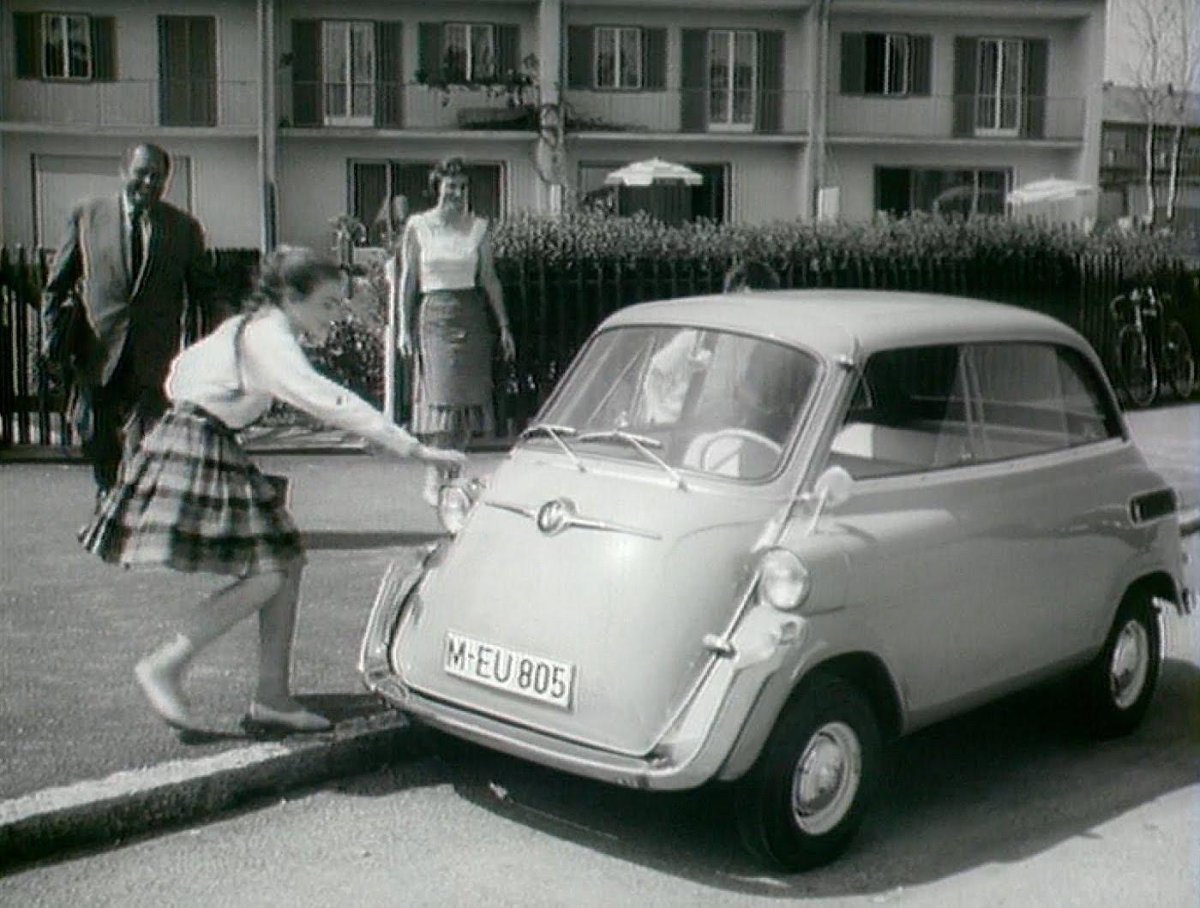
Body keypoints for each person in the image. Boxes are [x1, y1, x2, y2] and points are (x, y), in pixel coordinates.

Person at [79, 247, 465, 735]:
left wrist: (222, 402)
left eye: (340, 304)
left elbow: (179, 373)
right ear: (290, 297)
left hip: (198, 433)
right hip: (200, 442)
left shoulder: (248, 327)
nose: (337, 314)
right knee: (267, 575)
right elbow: (327, 398)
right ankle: (166, 663)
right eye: (327, 304)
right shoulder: (269, 337)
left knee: (286, 561)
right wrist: (416, 450)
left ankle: (273, 697)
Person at [42, 143, 223, 506]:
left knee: (147, 437)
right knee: (94, 432)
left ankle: (128, 504)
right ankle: (108, 487)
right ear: (124, 172)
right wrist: (50, 336)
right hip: (98, 347)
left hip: (155, 350)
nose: (149, 182)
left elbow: (205, 290)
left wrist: (221, 339)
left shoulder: (183, 228)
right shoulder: (87, 216)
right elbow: (57, 283)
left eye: (158, 176)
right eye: (142, 173)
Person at [394, 156, 516, 505]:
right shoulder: (418, 226)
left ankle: (454, 477)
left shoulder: (478, 226)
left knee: (464, 404)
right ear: (438, 188)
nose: (456, 193)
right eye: (450, 187)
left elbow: (489, 279)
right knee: (440, 401)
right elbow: (408, 280)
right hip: (434, 316)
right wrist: (404, 328)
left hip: (471, 316)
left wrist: (504, 325)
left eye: (462, 188)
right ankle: (434, 476)